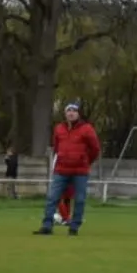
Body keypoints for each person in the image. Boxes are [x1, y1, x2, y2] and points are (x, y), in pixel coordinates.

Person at [36, 101, 101, 236]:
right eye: (69, 111)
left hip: (80, 171)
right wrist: (60, 159)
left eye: (74, 111)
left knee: (80, 199)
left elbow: (95, 149)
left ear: (78, 114)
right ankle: (47, 225)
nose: (71, 113)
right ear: (65, 114)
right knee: (52, 197)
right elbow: (57, 147)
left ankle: (74, 227)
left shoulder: (87, 129)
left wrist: (85, 161)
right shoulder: (59, 128)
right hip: (61, 170)